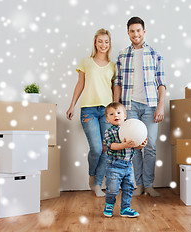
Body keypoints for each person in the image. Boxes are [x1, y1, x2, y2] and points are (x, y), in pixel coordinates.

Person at [113, 16, 166, 197]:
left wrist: (160, 106)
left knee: (150, 145)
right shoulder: (122, 55)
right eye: (132, 31)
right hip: (130, 106)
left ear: (144, 31)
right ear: (128, 33)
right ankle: (139, 184)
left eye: (138, 30)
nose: (135, 34)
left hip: (151, 106)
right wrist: (117, 106)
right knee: (133, 144)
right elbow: (118, 82)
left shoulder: (155, 54)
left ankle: (149, 184)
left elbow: (161, 83)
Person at [66, 28, 115, 197]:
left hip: (107, 112)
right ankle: (92, 175)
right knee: (96, 148)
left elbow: (115, 90)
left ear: (110, 44)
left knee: (105, 148)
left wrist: (117, 111)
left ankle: (97, 184)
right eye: (100, 41)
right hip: (89, 110)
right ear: (95, 42)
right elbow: (80, 84)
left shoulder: (113, 66)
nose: (103, 44)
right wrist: (72, 105)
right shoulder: (86, 62)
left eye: (106, 41)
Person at [103, 102, 147, 217]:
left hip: (128, 165)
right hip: (114, 166)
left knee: (129, 187)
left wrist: (140, 145)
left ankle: (125, 208)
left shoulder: (131, 129)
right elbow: (111, 146)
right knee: (112, 189)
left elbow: (134, 145)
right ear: (107, 119)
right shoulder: (109, 132)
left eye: (118, 113)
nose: (116, 115)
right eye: (111, 114)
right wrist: (123, 145)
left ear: (125, 116)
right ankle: (109, 205)